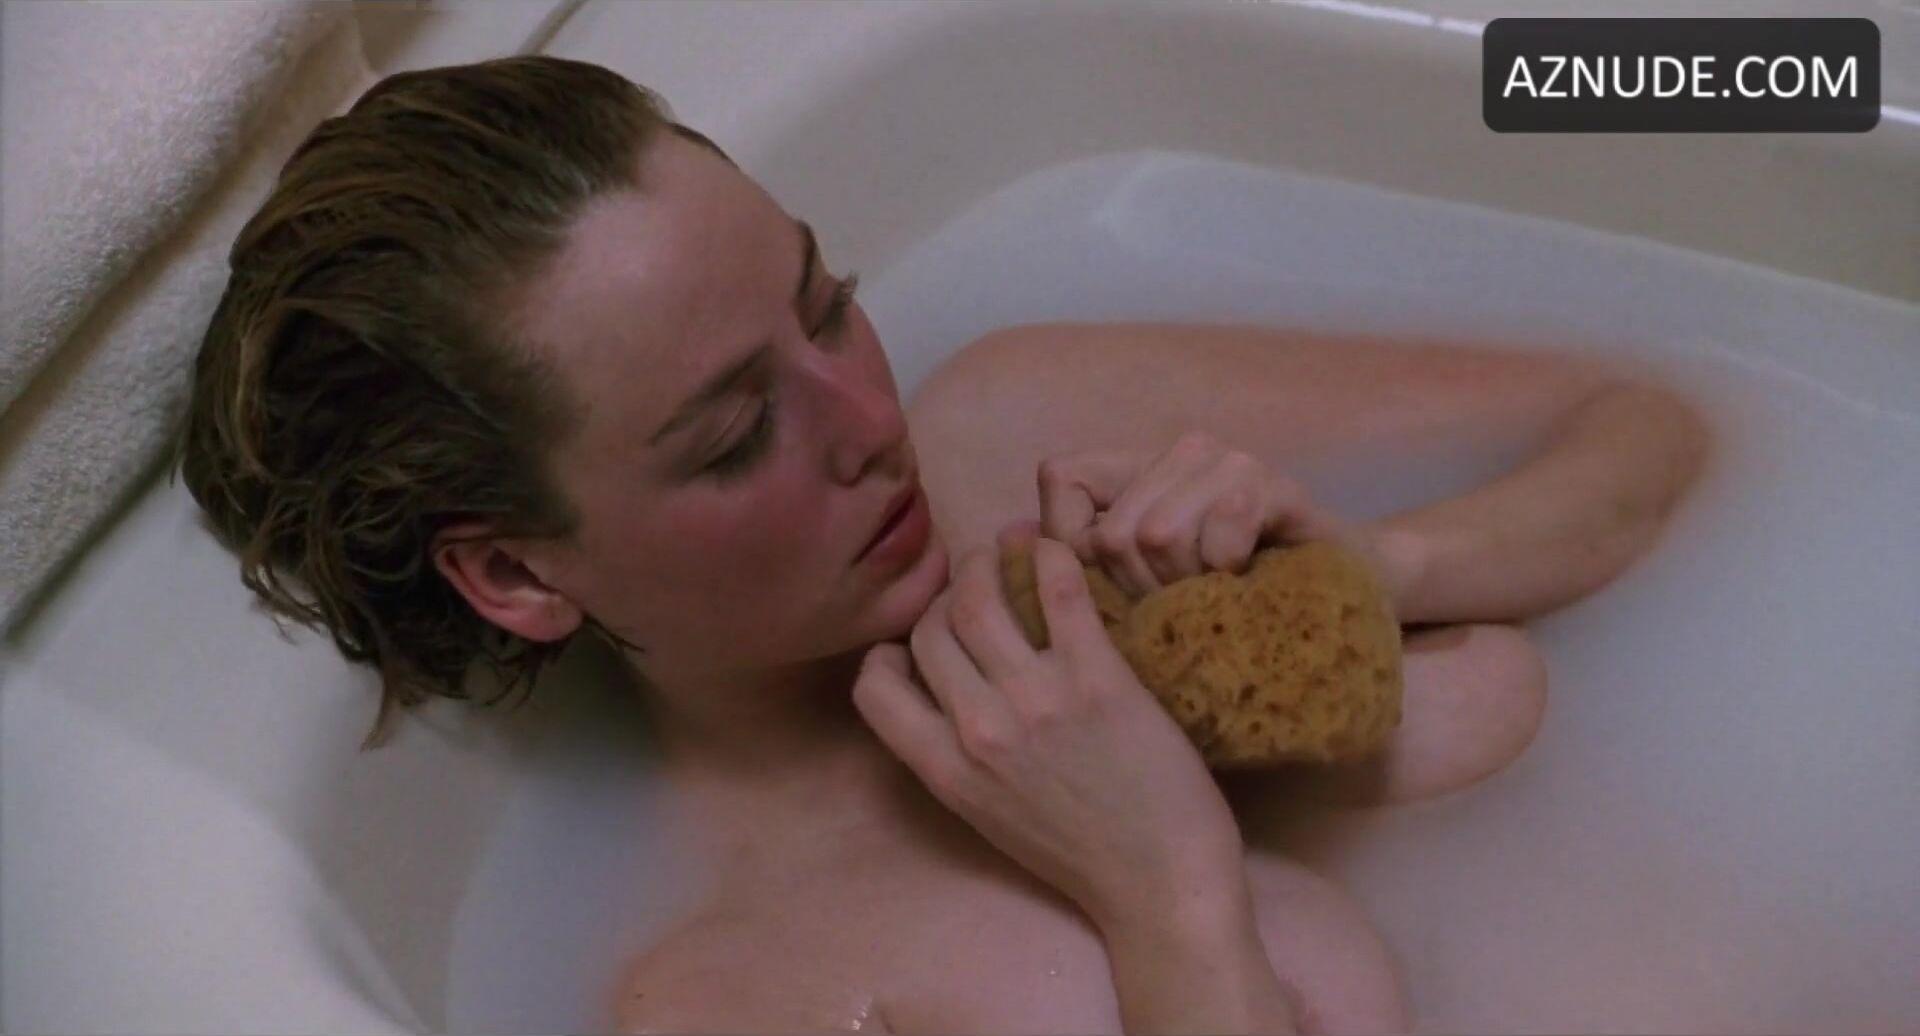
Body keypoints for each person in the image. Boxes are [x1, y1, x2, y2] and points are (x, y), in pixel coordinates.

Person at [177, 56, 1711, 1034]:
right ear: (518, 575)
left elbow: (1645, 425)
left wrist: (1377, 573)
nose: (866, 415)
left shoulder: (1024, 422)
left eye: (828, 303)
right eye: (734, 435)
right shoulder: (732, 993)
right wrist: (1164, 895)